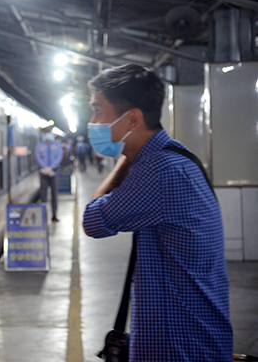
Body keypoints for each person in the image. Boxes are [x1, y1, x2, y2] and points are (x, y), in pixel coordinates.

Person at [82, 64, 233, 361]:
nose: (92, 121)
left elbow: (93, 220)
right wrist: (131, 155)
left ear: (133, 119)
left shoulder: (159, 171)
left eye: (98, 110)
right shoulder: (176, 157)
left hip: (179, 346)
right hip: (191, 337)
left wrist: (124, 160)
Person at [35, 129, 63, 222]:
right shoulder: (39, 146)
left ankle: (54, 215)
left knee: (54, 194)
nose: (48, 135)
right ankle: (43, 216)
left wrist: (51, 167)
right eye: (46, 133)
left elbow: (59, 158)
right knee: (43, 195)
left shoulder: (57, 146)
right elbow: (38, 158)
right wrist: (45, 168)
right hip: (43, 173)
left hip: (54, 172)